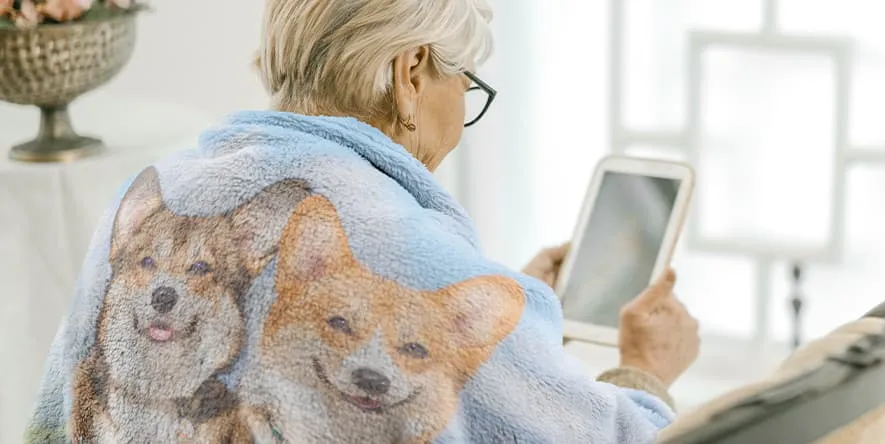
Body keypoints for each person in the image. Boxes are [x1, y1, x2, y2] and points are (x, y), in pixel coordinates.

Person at [25, 0, 700, 442]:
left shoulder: (146, 200)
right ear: (410, 75)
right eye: (467, 85)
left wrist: (482, 324)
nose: (462, 115)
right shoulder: (408, 246)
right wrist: (646, 370)